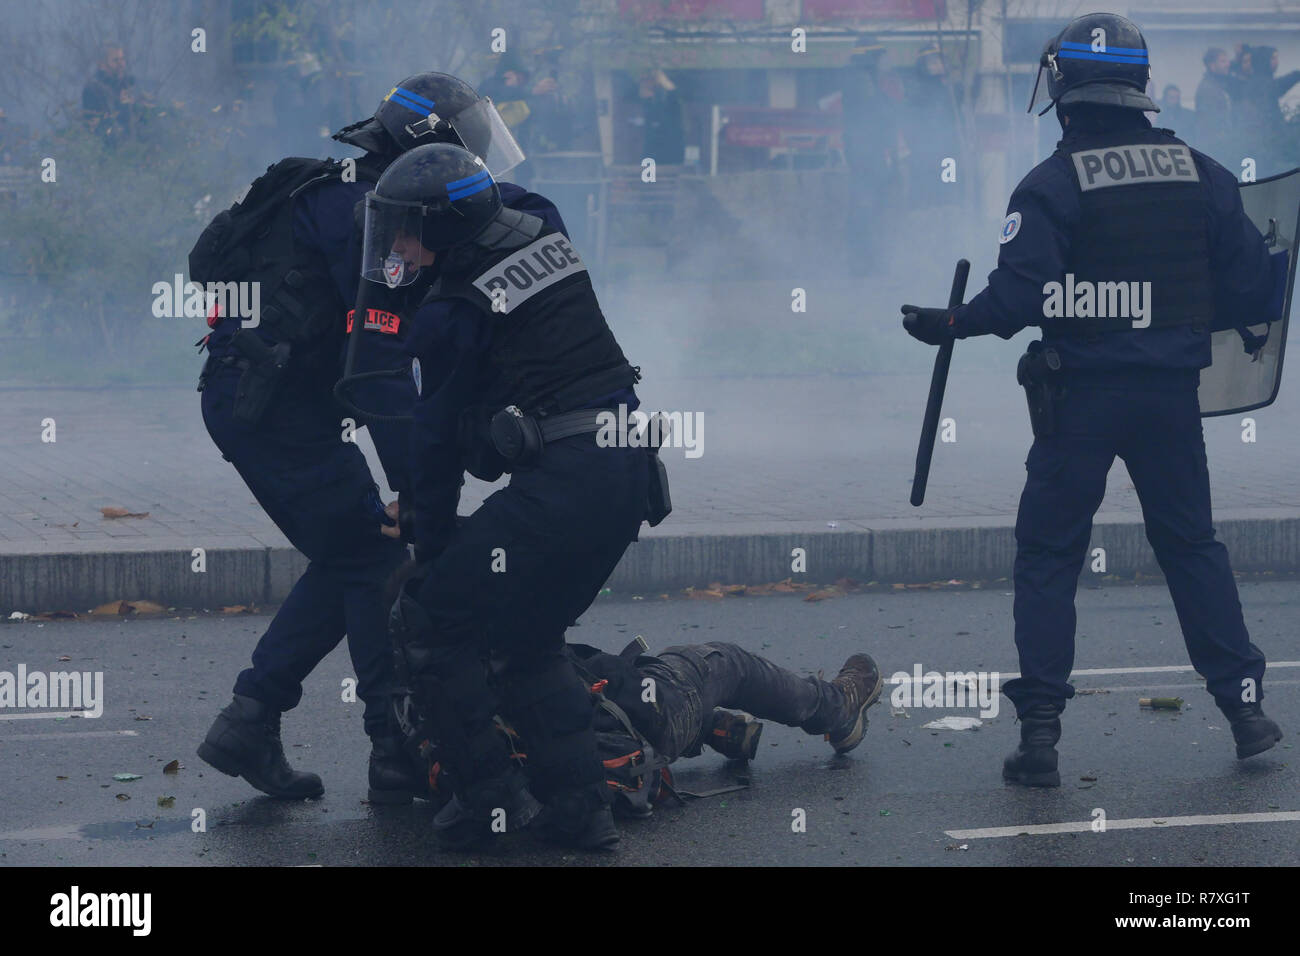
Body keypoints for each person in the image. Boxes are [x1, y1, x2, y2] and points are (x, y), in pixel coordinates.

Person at [900, 13, 1284, 787]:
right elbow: (1254, 288)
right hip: (1172, 400)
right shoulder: (1204, 175)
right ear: (1140, 87)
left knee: (1048, 555)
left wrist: (949, 323)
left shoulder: (1050, 184)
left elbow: (1014, 300)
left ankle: (1040, 735)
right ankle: (1246, 710)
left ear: (1063, 90)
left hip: (1079, 401)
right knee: (1191, 547)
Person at [196, 73, 527, 805]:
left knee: (351, 551)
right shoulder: (366, 216)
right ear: (427, 147)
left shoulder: (353, 191)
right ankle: (394, 748)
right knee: (375, 556)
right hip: (270, 411)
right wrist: (416, 490)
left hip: (272, 402)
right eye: (463, 151)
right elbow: (378, 370)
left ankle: (252, 719)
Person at [378, 142, 659, 851]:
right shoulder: (543, 227)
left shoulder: (449, 311)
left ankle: (491, 800)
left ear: (444, 229)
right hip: (626, 477)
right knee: (529, 639)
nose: (399, 245)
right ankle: (581, 810)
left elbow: (435, 444)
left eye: (409, 229)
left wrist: (430, 545)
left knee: (432, 621)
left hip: (565, 486)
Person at [81, 44, 146, 143]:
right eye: (115, 60)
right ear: (102, 64)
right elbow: (99, 123)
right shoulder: (93, 89)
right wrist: (122, 104)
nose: (121, 64)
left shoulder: (129, 83)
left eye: (122, 59)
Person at [1194, 47, 1236, 164]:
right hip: (1215, 149)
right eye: (1223, 61)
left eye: (1227, 61)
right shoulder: (1208, 89)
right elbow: (1209, 123)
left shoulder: (1219, 84)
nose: (1228, 64)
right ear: (1212, 65)